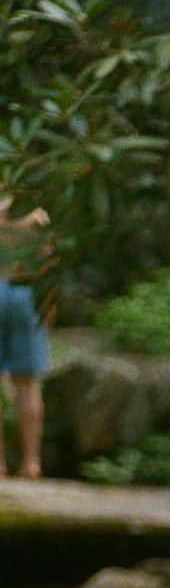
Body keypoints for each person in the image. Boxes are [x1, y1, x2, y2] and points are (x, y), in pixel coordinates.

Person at [0, 195, 55, 480]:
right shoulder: (35, 213)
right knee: (26, 383)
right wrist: (50, 302)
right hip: (27, 292)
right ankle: (31, 463)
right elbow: (48, 257)